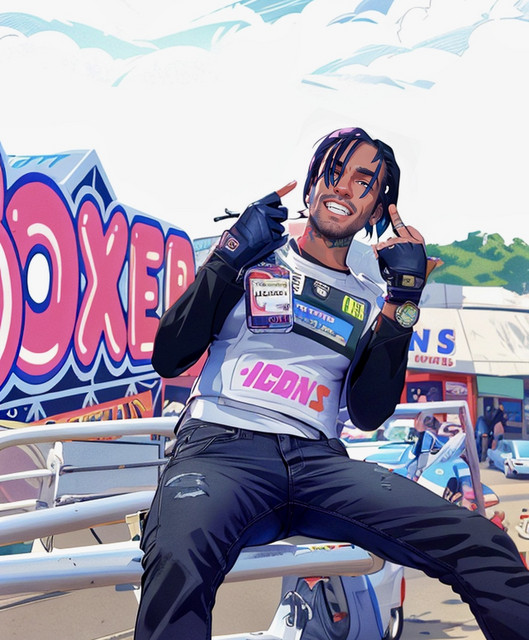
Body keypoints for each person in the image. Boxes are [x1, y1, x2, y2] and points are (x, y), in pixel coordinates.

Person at [135, 127, 529, 640]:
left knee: (483, 543)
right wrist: (229, 255)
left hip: (319, 464)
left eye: (363, 181)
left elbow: (368, 412)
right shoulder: (252, 259)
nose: (343, 187)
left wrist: (403, 302)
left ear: (378, 208)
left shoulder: (370, 297)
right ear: (313, 183)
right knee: (177, 559)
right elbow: (169, 357)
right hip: (221, 450)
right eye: (334, 172)